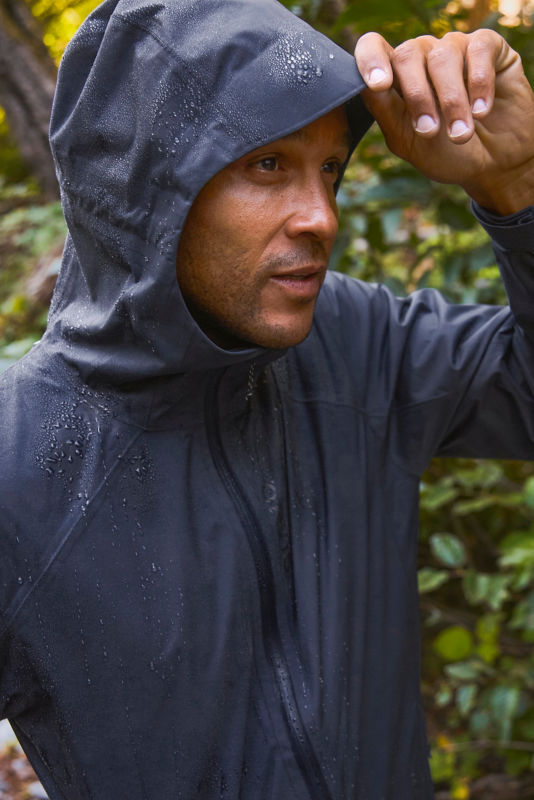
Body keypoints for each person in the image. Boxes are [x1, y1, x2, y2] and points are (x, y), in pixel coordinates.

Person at [0, 0, 532, 797]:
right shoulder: (20, 457)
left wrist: (517, 185)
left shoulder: (354, 342)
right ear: (144, 185)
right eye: (268, 166)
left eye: (330, 170)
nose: (321, 218)